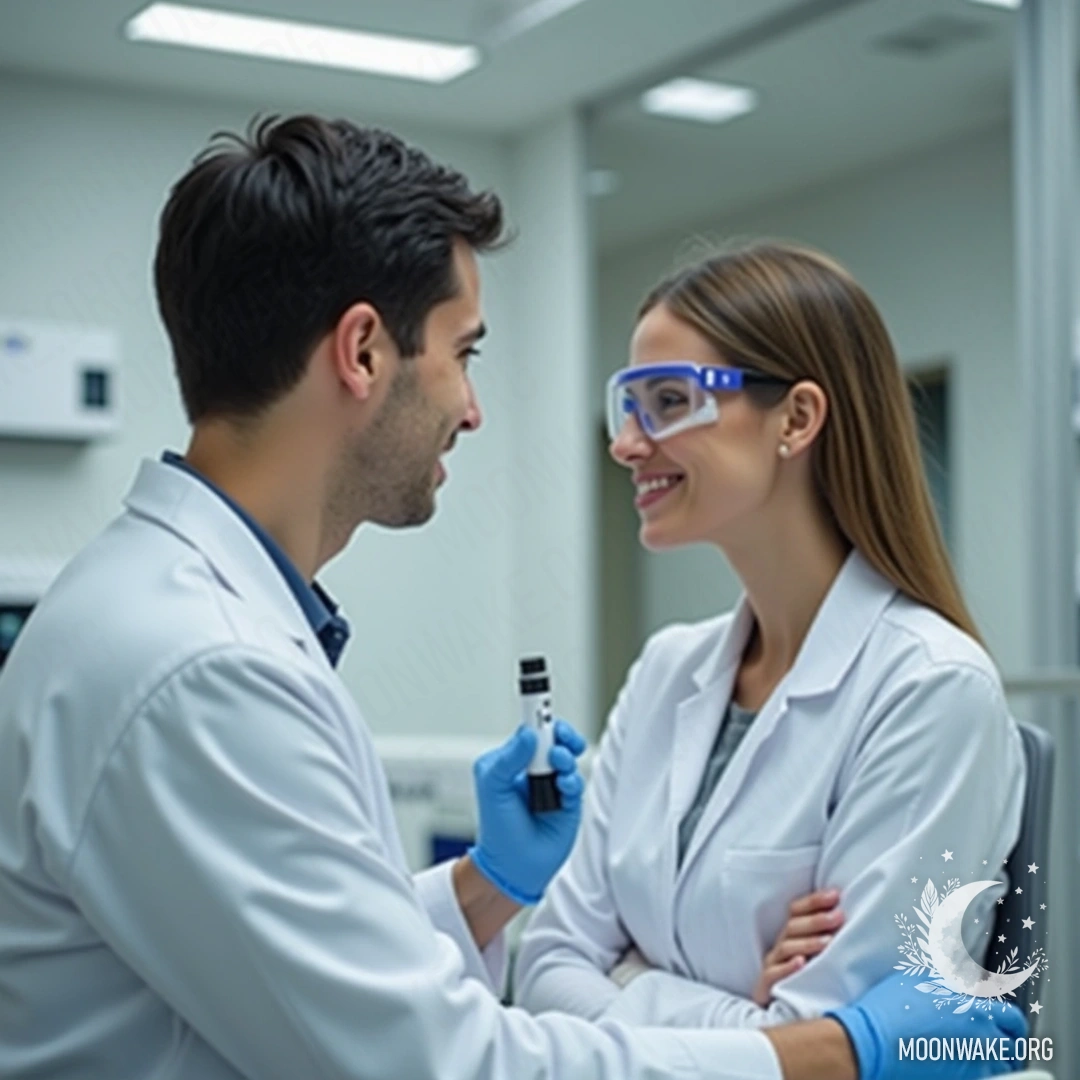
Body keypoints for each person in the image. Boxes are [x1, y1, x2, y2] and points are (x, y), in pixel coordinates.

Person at [0, 118, 1022, 1080]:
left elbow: (380, 973)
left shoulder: (177, 617)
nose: (475, 409)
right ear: (362, 353)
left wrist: (499, 891)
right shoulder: (206, 663)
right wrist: (825, 1048)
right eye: (464, 353)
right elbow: (453, 1051)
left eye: (667, 403)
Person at [514, 241, 1027, 1030]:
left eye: (670, 402)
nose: (625, 443)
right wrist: (725, 1011)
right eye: (629, 404)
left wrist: (630, 976)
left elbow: (830, 1052)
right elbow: (545, 960)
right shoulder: (666, 670)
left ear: (796, 419)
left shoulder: (930, 690)